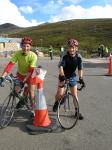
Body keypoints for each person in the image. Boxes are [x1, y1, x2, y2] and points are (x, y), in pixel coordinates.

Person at [0, 36, 37, 110]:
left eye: (27, 46)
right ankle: (23, 100)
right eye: (23, 46)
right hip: (20, 75)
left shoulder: (33, 56)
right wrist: (3, 76)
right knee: (16, 90)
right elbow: (10, 65)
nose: (25, 48)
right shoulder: (18, 53)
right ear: (21, 46)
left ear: (30, 46)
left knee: (31, 94)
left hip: (31, 75)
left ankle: (34, 111)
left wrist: (26, 80)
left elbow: (30, 70)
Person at [53, 38, 85, 120]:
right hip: (63, 75)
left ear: (76, 48)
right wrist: (63, 76)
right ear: (68, 48)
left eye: (73, 47)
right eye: (70, 47)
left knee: (75, 95)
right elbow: (60, 67)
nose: (72, 49)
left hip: (72, 76)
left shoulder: (79, 57)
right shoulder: (64, 55)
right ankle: (57, 102)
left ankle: (77, 111)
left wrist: (81, 78)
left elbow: (80, 68)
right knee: (60, 94)